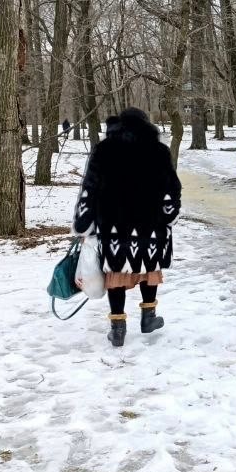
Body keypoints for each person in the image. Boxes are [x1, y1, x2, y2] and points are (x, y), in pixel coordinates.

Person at [73, 107, 182, 348]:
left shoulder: (104, 150)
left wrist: (84, 223)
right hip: (151, 225)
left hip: (114, 226)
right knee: (149, 269)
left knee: (116, 273)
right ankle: (148, 317)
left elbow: (89, 189)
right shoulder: (159, 151)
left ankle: (118, 328)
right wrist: (170, 215)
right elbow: (172, 189)